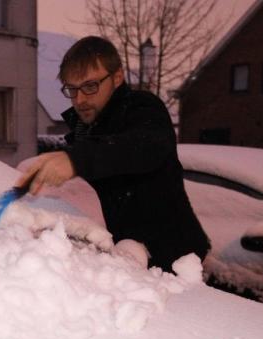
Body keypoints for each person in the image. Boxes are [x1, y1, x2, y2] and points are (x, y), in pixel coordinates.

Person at [18, 36, 209, 272]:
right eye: (72, 89)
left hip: (177, 259)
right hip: (130, 255)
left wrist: (75, 160)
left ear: (117, 77)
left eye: (90, 86)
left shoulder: (144, 108)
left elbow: (143, 146)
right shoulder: (88, 128)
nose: (79, 99)